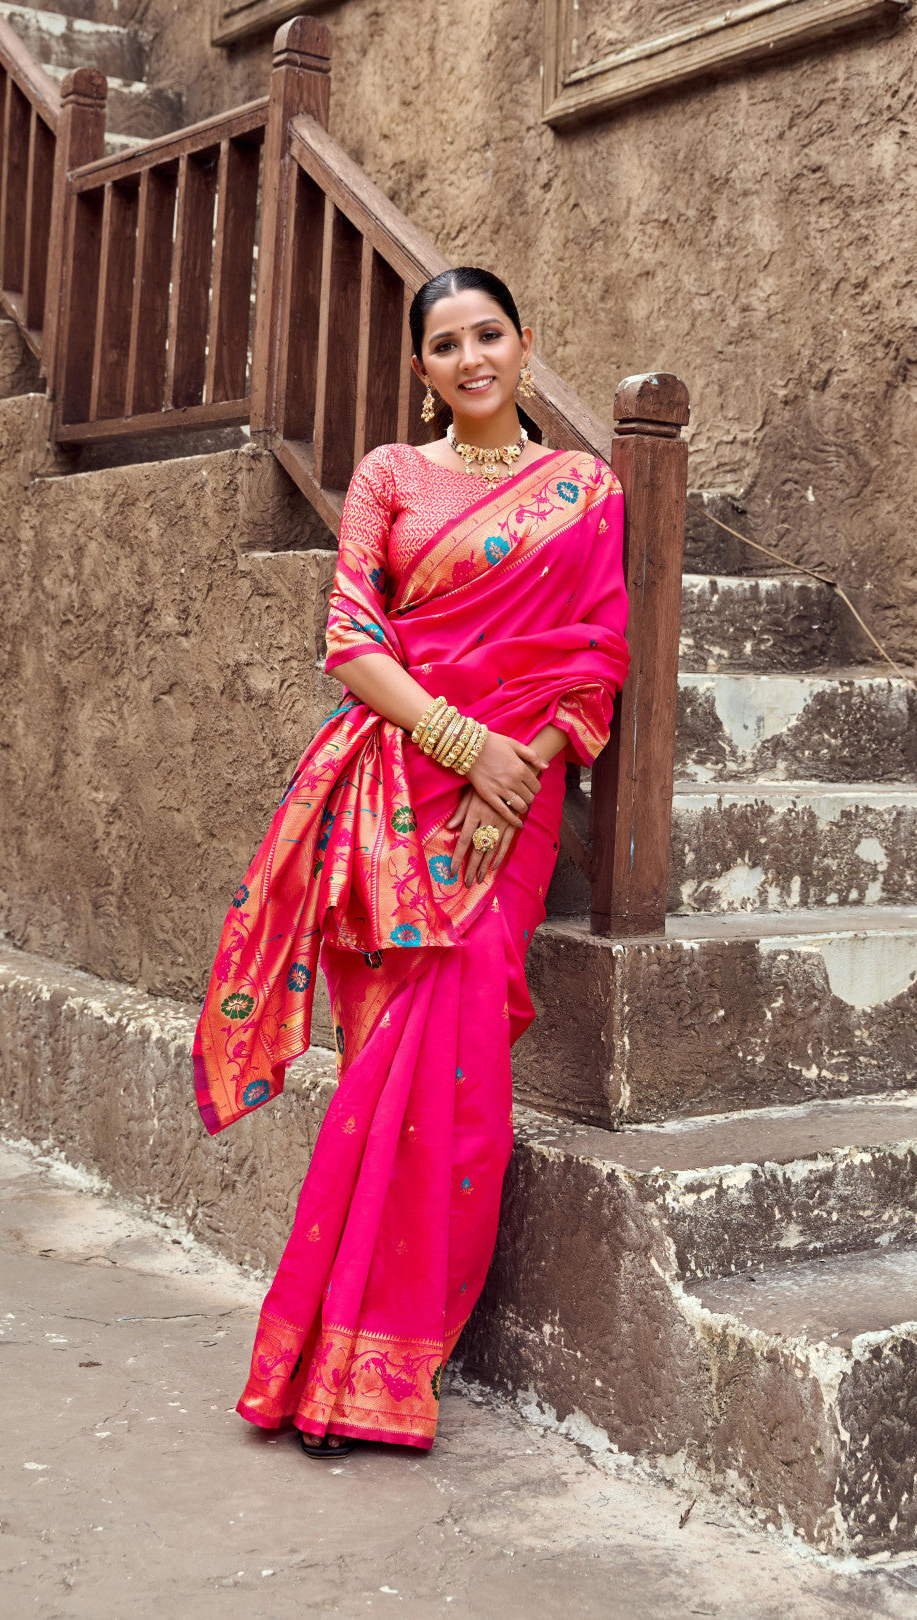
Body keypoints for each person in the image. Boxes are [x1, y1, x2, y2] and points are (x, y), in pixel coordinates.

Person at [192, 267, 629, 1458]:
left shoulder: (585, 488)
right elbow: (350, 638)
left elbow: (596, 652)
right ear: (425, 367)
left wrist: (521, 769)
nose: (472, 357)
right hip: (401, 786)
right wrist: (465, 743)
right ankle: (320, 1356)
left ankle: (390, 1363)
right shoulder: (390, 475)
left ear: (526, 346)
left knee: (462, 1078)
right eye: (447, 344)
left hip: (511, 809)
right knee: (385, 1063)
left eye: (490, 334)